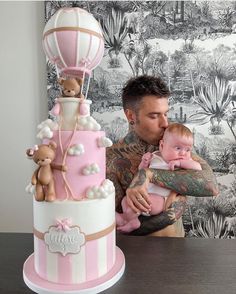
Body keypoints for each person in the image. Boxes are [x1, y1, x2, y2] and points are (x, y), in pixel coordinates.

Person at [106, 75, 218, 237]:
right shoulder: (112, 159)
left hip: (177, 250)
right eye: (154, 116)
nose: (165, 123)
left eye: (165, 114)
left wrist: (148, 174)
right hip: (136, 254)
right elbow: (116, 224)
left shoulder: (171, 145)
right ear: (131, 116)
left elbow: (210, 185)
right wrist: (172, 208)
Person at [116, 123, 202, 233]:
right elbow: (141, 172)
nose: (183, 153)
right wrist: (144, 162)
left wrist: (180, 163)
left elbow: (198, 168)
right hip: (145, 193)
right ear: (162, 146)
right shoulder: (155, 155)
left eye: (187, 150)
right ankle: (128, 219)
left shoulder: (184, 162)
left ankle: (130, 221)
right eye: (178, 148)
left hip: (161, 200)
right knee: (125, 201)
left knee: (139, 203)